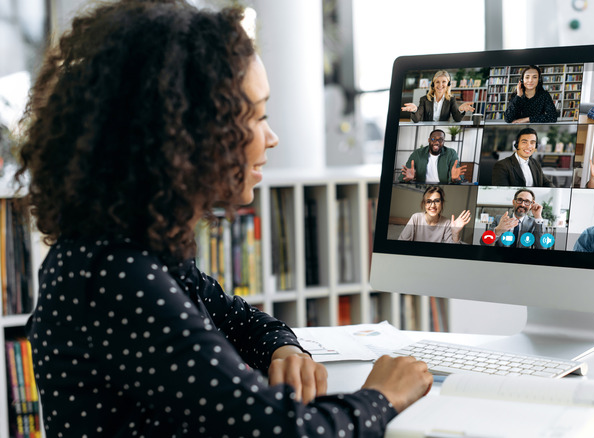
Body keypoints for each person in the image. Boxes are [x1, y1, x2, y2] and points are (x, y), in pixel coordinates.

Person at [15, 2, 432, 436]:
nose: (271, 138)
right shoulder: (116, 277)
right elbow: (279, 431)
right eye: (255, 116)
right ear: (183, 131)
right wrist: (384, 394)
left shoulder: (137, 251)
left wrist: (283, 350)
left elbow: (240, 319)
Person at [398, 186, 471, 243]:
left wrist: (455, 234)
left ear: (442, 203)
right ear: (424, 204)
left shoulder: (446, 223)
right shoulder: (416, 218)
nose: (432, 205)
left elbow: (452, 251)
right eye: (428, 201)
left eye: (437, 201)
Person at [401, 70, 475, 122]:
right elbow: (416, 119)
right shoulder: (424, 99)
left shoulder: (451, 99)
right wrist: (414, 110)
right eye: (437, 82)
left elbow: (457, 119)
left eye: (444, 82)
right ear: (433, 84)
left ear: (448, 84)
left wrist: (461, 110)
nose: (440, 85)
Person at [491, 127, 556, 187]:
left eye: (532, 143)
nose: (528, 146)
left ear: (535, 146)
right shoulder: (502, 165)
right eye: (524, 142)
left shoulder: (535, 163)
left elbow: (547, 183)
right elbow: (502, 192)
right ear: (517, 145)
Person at [399, 129, 467, 184]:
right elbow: (402, 178)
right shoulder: (417, 153)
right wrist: (409, 177)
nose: (436, 142)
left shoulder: (451, 153)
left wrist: (454, 179)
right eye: (433, 139)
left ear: (444, 141)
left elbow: (458, 176)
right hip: (423, 186)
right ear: (429, 140)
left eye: (440, 140)